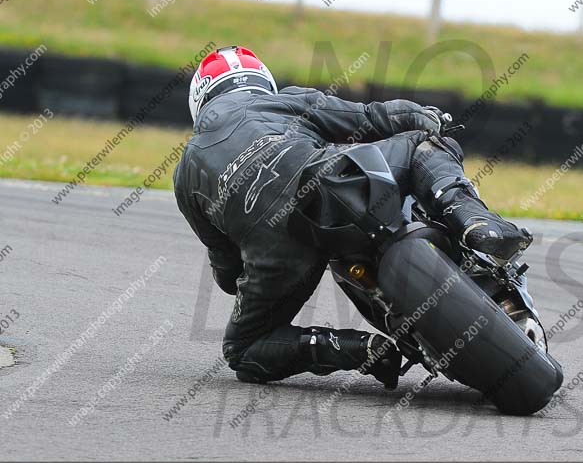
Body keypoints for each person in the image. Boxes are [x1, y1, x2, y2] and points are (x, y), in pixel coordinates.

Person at [173, 46, 532, 391]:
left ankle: (357, 350)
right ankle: (475, 221)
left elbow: (225, 267)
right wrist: (429, 118)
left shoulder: (185, 171)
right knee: (423, 142)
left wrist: (252, 276)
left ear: (199, 103)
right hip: (332, 181)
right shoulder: (283, 99)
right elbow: (372, 117)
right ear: (262, 81)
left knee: (243, 350)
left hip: (277, 253)